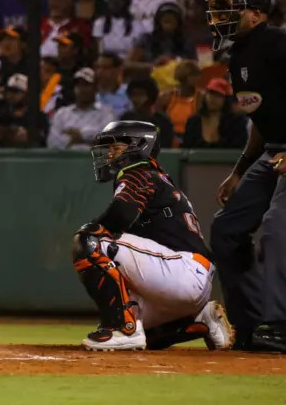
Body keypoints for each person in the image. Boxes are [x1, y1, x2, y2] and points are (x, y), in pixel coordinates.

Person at [207, 0, 286, 354]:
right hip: (275, 149)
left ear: (255, 14)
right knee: (226, 229)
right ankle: (251, 324)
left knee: (279, 223)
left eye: (228, 8)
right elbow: (262, 120)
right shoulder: (238, 57)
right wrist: (239, 170)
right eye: (218, 9)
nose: (220, 16)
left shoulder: (277, 43)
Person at [72, 121, 231, 351]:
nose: (109, 153)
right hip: (183, 277)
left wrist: (90, 231)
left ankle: (123, 329)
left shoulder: (139, 170)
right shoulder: (155, 175)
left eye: (115, 146)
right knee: (149, 337)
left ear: (138, 146)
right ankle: (202, 320)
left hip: (181, 271)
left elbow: (121, 214)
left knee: (88, 241)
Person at [47, 68, 115, 150]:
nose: (81, 89)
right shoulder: (62, 113)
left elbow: (109, 138)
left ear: (96, 88)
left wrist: (81, 135)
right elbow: (52, 142)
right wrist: (73, 139)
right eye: (78, 85)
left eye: (86, 85)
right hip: (67, 159)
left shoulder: (106, 112)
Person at [182, 77, 248, 149]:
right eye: (210, 93)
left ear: (226, 99)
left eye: (218, 95)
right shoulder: (194, 121)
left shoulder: (236, 122)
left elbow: (238, 147)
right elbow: (186, 147)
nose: (212, 98)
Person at [120, 77, 175, 148]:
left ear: (151, 96)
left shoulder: (163, 121)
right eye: (133, 95)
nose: (136, 99)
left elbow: (165, 147)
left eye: (140, 94)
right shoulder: (125, 119)